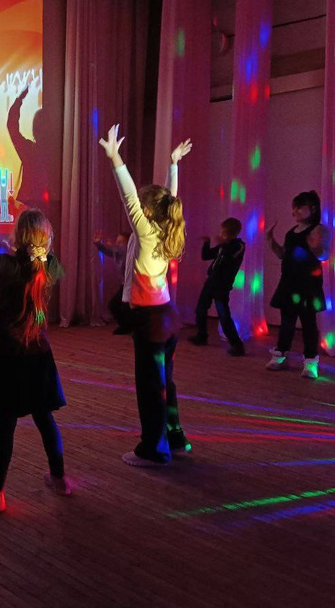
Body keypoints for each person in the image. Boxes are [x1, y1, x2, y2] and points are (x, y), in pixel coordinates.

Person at [0, 209, 71, 512]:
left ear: (19, 235)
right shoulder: (51, 265)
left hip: (9, 355)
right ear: (45, 236)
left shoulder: (6, 266)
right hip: (40, 354)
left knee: (6, 425)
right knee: (44, 417)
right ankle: (59, 480)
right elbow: (44, 264)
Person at [99, 124, 192, 467]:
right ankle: (175, 437)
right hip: (166, 317)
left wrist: (115, 159)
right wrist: (173, 165)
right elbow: (169, 198)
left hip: (150, 322)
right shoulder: (167, 228)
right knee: (164, 381)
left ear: (148, 212)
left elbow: (129, 198)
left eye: (142, 204)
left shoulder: (148, 232)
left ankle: (154, 449)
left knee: (150, 387)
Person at [265, 190, 331, 379]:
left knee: (309, 323)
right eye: (294, 208)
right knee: (286, 321)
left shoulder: (319, 230)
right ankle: (281, 355)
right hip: (289, 283)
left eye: (299, 207)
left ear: (312, 209)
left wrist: (314, 246)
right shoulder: (291, 233)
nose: (294, 211)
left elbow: (324, 255)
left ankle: (310, 362)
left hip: (308, 285)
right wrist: (270, 239)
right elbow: (282, 254)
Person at [189, 218, 246, 356]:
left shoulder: (238, 246)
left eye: (224, 233)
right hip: (211, 283)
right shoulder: (223, 246)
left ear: (232, 233)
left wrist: (223, 244)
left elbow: (229, 259)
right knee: (201, 309)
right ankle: (201, 336)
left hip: (222, 286)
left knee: (224, 315)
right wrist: (207, 243)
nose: (221, 235)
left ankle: (237, 345)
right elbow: (206, 256)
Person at [93, 230, 132, 334]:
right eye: (117, 241)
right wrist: (98, 243)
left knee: (116, 305)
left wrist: (101, 244)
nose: (118, 244)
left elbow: (111, 250)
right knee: (117, 306)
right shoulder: (120, 253)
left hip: (131, 285)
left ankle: (126, 327)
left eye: (121, 242)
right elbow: (109, 251)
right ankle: (126, 326)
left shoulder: (128, 252)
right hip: (125, 284)